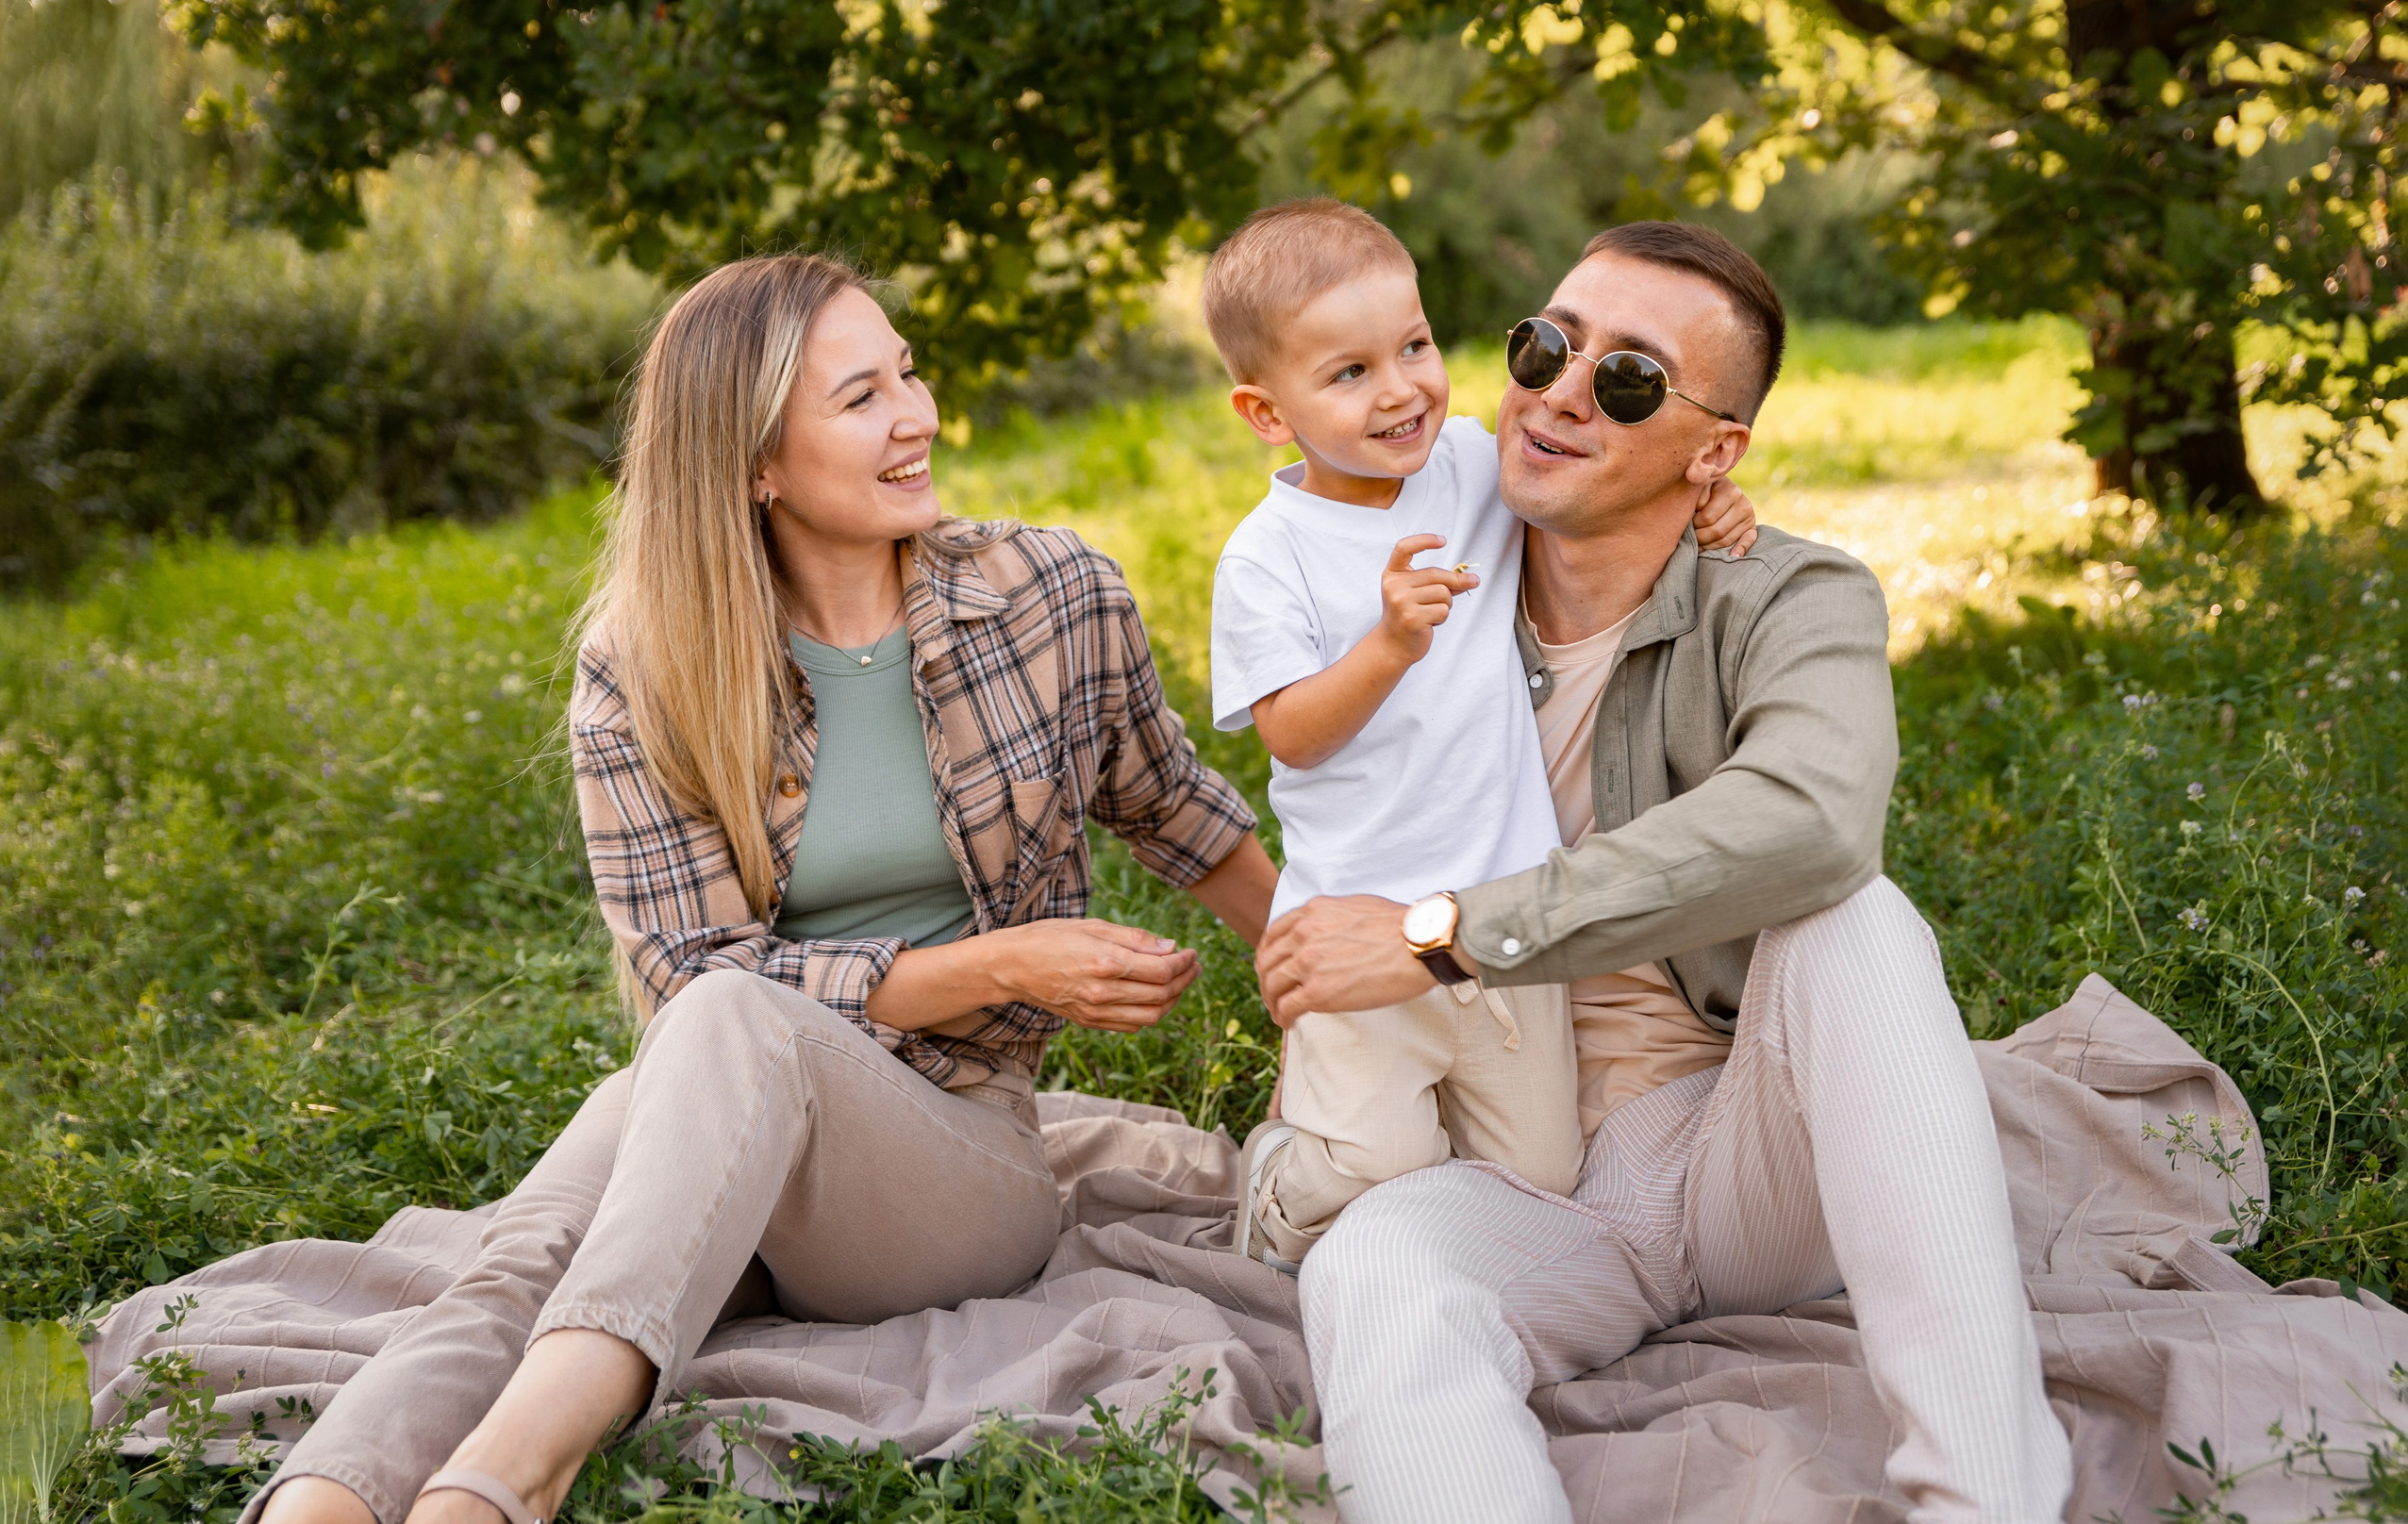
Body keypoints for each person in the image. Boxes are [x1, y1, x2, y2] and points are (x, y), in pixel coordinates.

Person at [254, 252, 1279, 1524]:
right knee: (520, 1259)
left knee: (718, 1040)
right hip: (720, 1096)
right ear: (757, 464)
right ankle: (326, 1508)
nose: (917, 415)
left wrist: (1349, 988)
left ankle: (501, 1486)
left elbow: (1181, 810)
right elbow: (691, 970)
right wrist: (1003, 963)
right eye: (862, 397)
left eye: (908, 373)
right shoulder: (646, 664)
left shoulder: (1050, 597)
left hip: (954, 1156)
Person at [1255, 223, 2073, 1523]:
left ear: (1715, 451)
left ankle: (1986, 1502)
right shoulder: (1413, 591)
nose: (1563, 392)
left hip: (1743, 1145)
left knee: (1851, 920)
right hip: (1527, 1173)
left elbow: (1810, 820)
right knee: (1375, 1271)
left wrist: (1439, 930)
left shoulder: (1792, 596)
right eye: (1547, 346)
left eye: (1629, 379)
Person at [1202, 198, 1754, 1274]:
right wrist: (1385, 645)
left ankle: (1430, 1242)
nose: (1402, 385)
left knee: (1539, 1177)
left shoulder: (1468, 463)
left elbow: (1605, 483)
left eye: (1412, 344)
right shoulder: (1269, 556)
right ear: (1267, 413)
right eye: (1348, 373)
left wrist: (1717, 503)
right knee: (1374, 1164)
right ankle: (1283, 1176)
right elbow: (1292, 735)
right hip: (1358, 925)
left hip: (1502, 916)